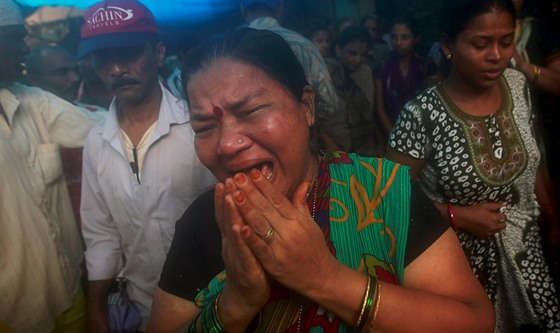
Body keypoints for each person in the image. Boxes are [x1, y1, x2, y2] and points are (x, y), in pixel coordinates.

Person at [146, 27, 494, 333]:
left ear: (307, 107)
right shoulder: (203, 223)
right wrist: (235, 302)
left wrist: (325, 279)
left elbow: (474, 321)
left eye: (251, 111)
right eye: (204, 127)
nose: (226, 144)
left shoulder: (385, 191)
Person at [386, 0, 560, 331]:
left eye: (506, 41)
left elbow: (531, 155)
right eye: (480, 44)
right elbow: (389, 198)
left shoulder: (518, 85)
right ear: (448, 45)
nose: (496, 55)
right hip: (457, 271)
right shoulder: (421, 115)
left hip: (526, 254)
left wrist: (551, 218)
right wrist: (457, 214)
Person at [77, 0, 216, 331]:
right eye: (103, 58)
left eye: (127, 52)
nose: (116, 69)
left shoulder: (198, 125)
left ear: (158, 52)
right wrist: (96, 309)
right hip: (143, 307)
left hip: (216, 303)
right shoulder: (97, 143)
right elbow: (102, 235)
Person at [0, 0, 100, 331]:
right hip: (13, 312)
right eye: (15, 38)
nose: (24, 48)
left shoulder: (30, 101)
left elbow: (98, 129)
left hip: (66, 291)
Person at [239, 0, 346, 153]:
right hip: (306, 148)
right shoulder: (304, 45)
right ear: (280, 7)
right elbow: (329, 102)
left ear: (243, 9)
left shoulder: (229, 51)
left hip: (254, 152)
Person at [328, 26, 387, 156]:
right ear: (338, 50)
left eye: (363, 55)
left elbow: (373, 114)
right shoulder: (326, 74)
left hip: (366, 150)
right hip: (336, 150)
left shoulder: (366, 73)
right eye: (352, 53)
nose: (358, 60)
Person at [374, 15, 438, 133]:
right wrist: (394, 138)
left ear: (415, 39)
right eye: (394, 37)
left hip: (422, 133)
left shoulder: (426, 66)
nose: (398, 42)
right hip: (392, 132)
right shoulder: (382, 67)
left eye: (405, 37)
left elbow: (434, 105)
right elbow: (380, 109)